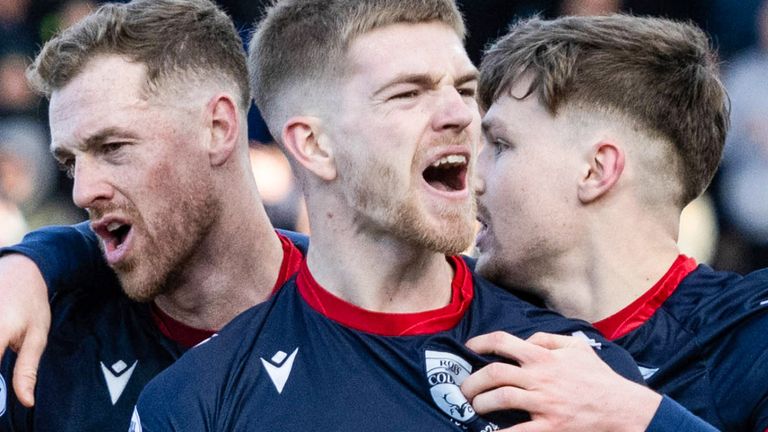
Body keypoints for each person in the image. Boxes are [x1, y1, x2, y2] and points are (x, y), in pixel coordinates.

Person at [130, 0, 643, 430]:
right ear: (314, 146)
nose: (462, 115)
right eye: (409, 93)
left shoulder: (574, 373)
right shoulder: (198, 398)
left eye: (464, 89)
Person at [0, 1, 306, 430]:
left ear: (217, 127)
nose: (83, 191)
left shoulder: (359, 307)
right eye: (71, 163)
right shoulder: (39, 338)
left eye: (113, 148)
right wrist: (26, 261)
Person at [462, 14, 768, 431]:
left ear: (596, 170)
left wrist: (635, 417)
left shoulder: (750, 335)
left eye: (500, 145)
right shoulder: (456, 315)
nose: (472, 178)